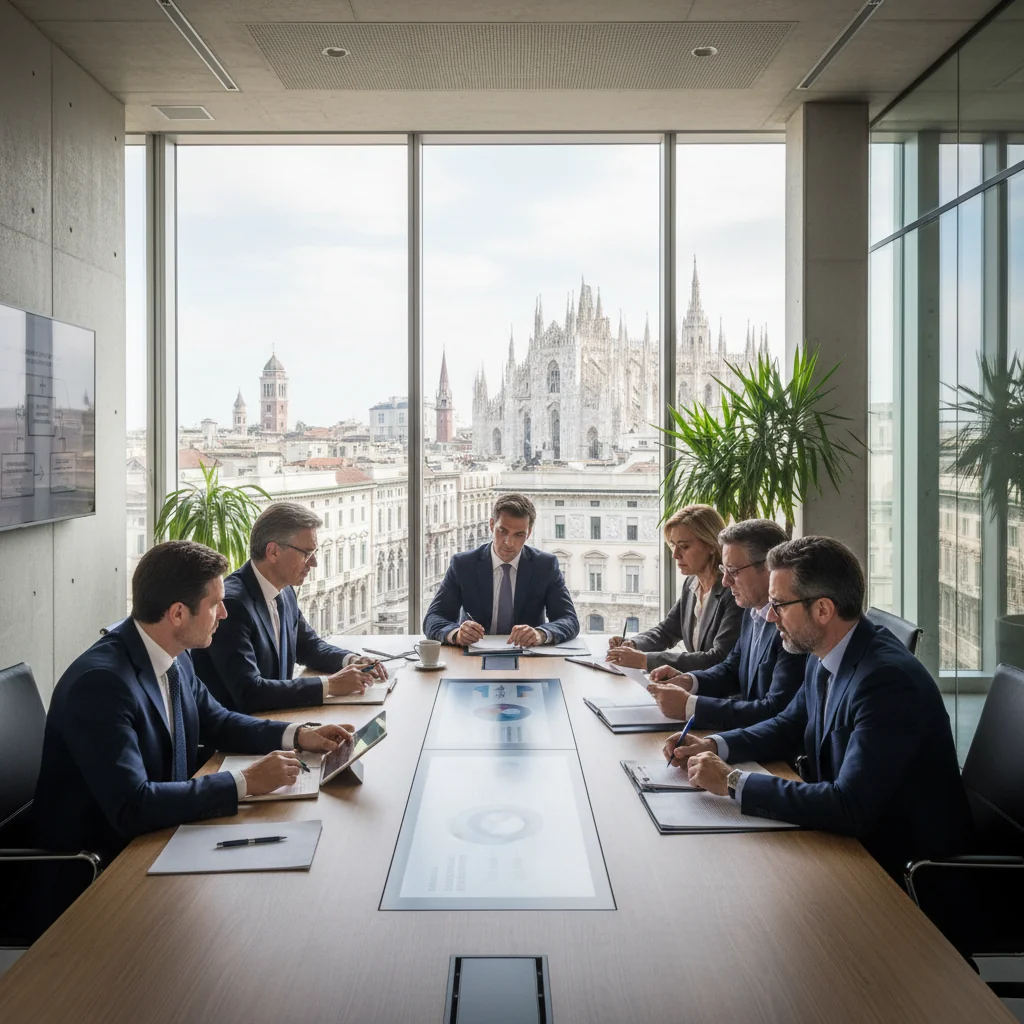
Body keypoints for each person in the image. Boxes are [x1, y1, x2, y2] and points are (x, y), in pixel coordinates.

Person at [31, 540, 354, 927]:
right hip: (98, 873)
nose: (225, 612)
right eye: (215, 603)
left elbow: (218, 721)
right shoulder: (102, 684)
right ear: (179, 614)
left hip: (160, 840)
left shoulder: (172, 654)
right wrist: (245, 781)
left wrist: (299, 735)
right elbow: (132, 806)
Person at [664, 536, 974, 879]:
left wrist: (733, 781)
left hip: (904, 871)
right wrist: (714, 745)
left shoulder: (886, 682)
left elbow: (849, 805)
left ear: (823, 610)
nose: (771, 617)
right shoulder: (826, 650)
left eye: (779, 605)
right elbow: (788, 724)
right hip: (846, 846)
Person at [192, 502, 385, 713]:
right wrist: (331, 685)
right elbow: (249, 692)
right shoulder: (232, 605)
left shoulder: (284, 590)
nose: (314, 564)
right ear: (273, 552)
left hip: (277, 718)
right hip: (240, 736)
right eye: (307, 553)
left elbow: (308, 646)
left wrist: (353, 661)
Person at [646, 519, 806, 730]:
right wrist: (689, 681)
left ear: (769, 568)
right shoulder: (752, 609)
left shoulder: (794, 625)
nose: (725, 581)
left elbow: (775, 710)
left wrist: (691, 706)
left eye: (734, 571)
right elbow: (731, 669)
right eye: (724, 569)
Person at [423, 492, 579, 647]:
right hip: (474, 656)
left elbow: (569, 619)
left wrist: (541, 634)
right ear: (492, 525)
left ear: (528, 533)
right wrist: (456, 634)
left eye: (518, 535)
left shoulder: (545, 566)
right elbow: (433, 618)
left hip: (527, 656)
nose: (508, 542)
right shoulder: (464, 564)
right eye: (502, 531)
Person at [606, 504, 740, 672]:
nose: (675, 555)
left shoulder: (733, 592)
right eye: (673, 545)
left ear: (712, 545)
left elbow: (718, 658)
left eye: (684, 546)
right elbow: (667, 631)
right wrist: (634, 644)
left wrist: (644, 660)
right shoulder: (692, 583)